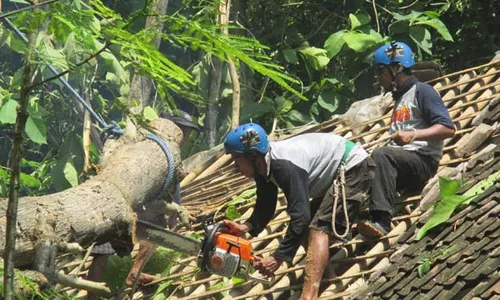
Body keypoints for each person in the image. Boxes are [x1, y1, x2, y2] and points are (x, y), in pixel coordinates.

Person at [222, 123, 375, 300]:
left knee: (318, 229)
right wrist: (245, 227)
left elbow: (300, 217)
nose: (235, 166)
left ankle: (309, 296)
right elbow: (266, 203)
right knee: (304, 228)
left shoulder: (284, 166)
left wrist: (278, 258)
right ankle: (327, 278)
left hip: (353, 168)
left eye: (237, 159)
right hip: (335, 174)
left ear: (252, 156)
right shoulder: (264, 166)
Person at [86, 109, 199, 299]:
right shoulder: (151, 143)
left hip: (124, 202)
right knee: (153, 230)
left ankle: (133, 272)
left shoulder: (162, 149)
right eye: (183, 131)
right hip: (119, 199)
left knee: (104, 253)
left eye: (187, 132)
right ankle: (130, 274)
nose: (185, 136)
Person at [357, 41, 455, 239]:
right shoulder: (399, 99)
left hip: (422, 160)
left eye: (381, 71)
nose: (379, 78)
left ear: (396, 68)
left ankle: (382, 221)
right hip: (402, 162)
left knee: (382, 155)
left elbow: (448, 128)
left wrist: (413, 135)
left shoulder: (423, 91)